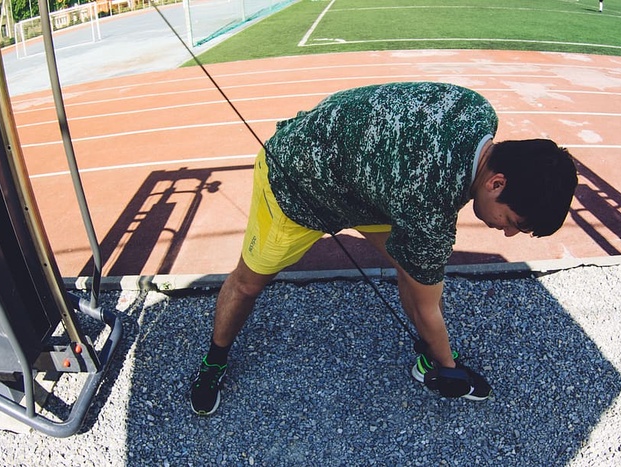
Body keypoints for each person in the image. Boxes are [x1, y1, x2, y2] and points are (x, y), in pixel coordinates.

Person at [189, 82, 578, 415]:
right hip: (297, 182)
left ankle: (430, 358)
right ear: (496, 183)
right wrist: (451, 370)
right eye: (512, 223)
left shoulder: (476, 109)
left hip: (372, 186)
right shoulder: (429, 205)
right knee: (247, 284)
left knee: (418, 270)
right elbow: (427, 305)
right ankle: (213, 361)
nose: (507, 234)